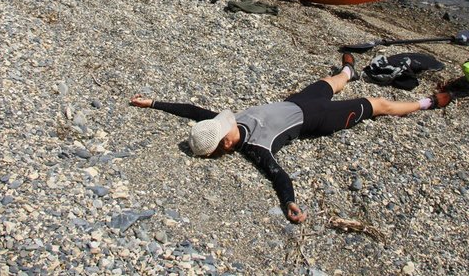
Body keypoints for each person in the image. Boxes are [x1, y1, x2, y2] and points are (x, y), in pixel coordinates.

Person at [129, 53, 451, 223]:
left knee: (332, 80)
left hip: (299, 101)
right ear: (225, 144)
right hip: (318, 119)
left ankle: (349, 71)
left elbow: (192, 110)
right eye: (220, 127)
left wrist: (153, 103)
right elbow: (278, 175)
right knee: (378, 105)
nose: (221, 119)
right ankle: (427, 102)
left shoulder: (227, 124)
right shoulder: (257, 147)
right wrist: (290, 202)